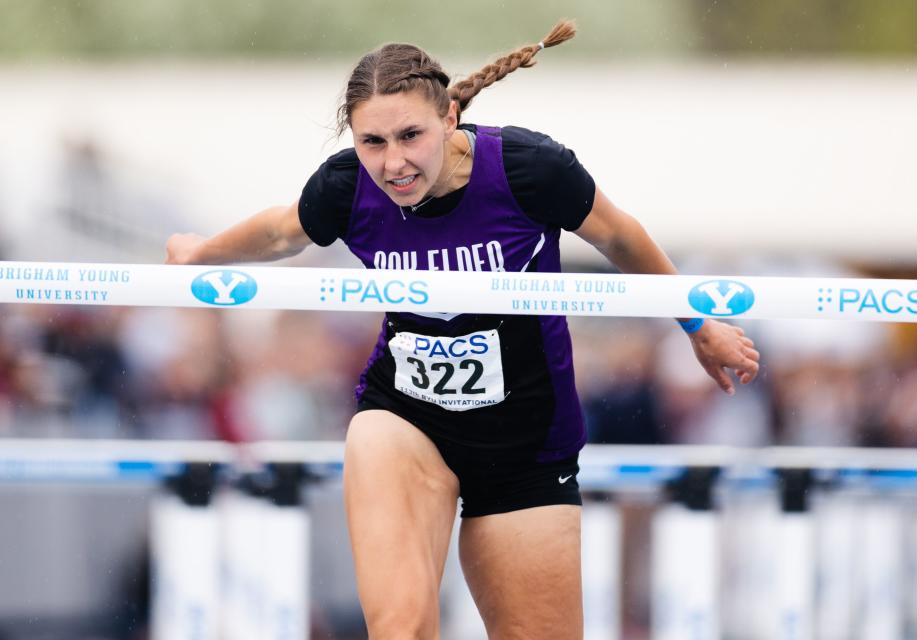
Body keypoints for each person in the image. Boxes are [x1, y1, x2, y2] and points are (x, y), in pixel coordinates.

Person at [165, 19, 760, 640]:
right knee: (400, 630)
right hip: (406, 419)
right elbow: (282, 230)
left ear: (450, 117)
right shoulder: (347, 189)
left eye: (410, 136)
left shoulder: (530, 169)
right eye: (372, 142)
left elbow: (619, 235)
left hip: (525, 441)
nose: (393, 164)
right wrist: (200, 253)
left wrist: (697, 326)